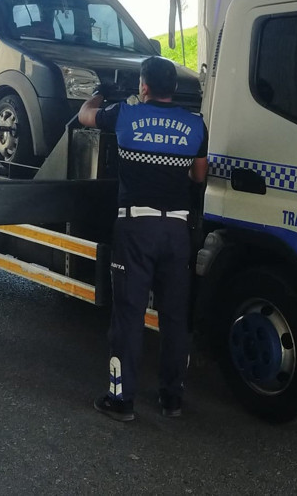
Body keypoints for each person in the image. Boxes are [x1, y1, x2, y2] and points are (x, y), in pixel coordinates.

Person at [78, 56, 208, 422]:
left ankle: (121, 400)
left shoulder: (125, 115)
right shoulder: (195, 124)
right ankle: (172, 399)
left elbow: (85, 116)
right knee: (174, 317)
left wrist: (99, 94)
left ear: (144, 86)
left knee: (129, 315)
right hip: (177, 231)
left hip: (136, 229)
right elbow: (199, 177)